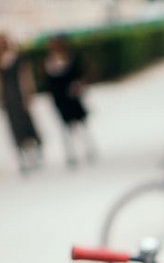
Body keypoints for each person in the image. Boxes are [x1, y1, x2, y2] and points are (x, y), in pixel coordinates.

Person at [0, 32, 43, 174]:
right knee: (15, 128)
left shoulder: (17, 57)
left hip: (20, 95)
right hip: (8, 98)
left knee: (27, 125)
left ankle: (34, 153)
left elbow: (26, 76)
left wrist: (28, 95)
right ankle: (22, 158)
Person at [44, 34, 96, 167]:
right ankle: (70, 153)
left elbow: (80, 73)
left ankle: (88, 147)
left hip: (72, 95)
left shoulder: (71, 58)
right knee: (65, 126)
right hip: (60, 98)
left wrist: (78, 85)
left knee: (81, 122)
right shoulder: (49, 61)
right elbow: (49, 82)